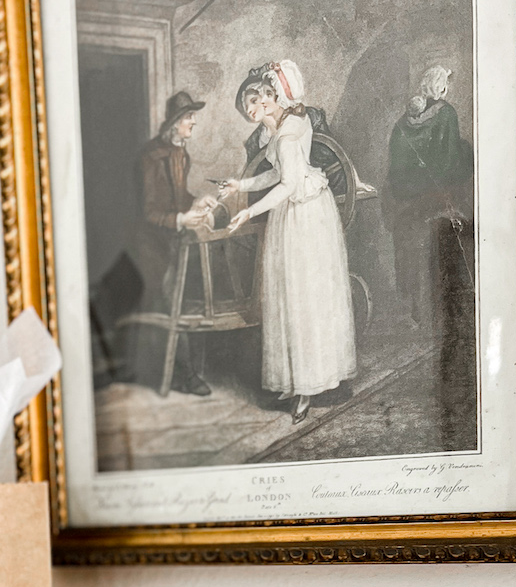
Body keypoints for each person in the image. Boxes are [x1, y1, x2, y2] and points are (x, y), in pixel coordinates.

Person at [222, 61, 356, 422]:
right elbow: (277, 173)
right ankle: (295, 380)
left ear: (271, 97)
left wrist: (248, 213)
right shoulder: (283, 125)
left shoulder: (287, 133)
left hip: (305, 216)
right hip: (296, 214)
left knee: (303, 298)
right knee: (289, 296)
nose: (249, 110)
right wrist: (241, 185)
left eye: (254, 101)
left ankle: (306, 389)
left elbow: (289, 184)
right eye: (246, 104)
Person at [129, 90, 218, 395]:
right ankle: (184, 376)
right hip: (152, 248)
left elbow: (178, 199)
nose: (194, 121)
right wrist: (182, 220)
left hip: (175, 242)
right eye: (189, 116)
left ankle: (188, 373)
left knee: (188, 301)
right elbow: (150, 212)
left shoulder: (182, 153)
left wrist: (198, 202)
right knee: (171, 305)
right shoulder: (151, 157)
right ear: (176, 122)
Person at [385, 65, 475, 333]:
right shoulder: (446, 113)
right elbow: (449, 163)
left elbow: (396, 171)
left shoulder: (403, 121)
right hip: (436, 197)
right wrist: (466, 155)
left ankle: (415, 312)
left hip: (406, 201)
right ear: (442, 87)